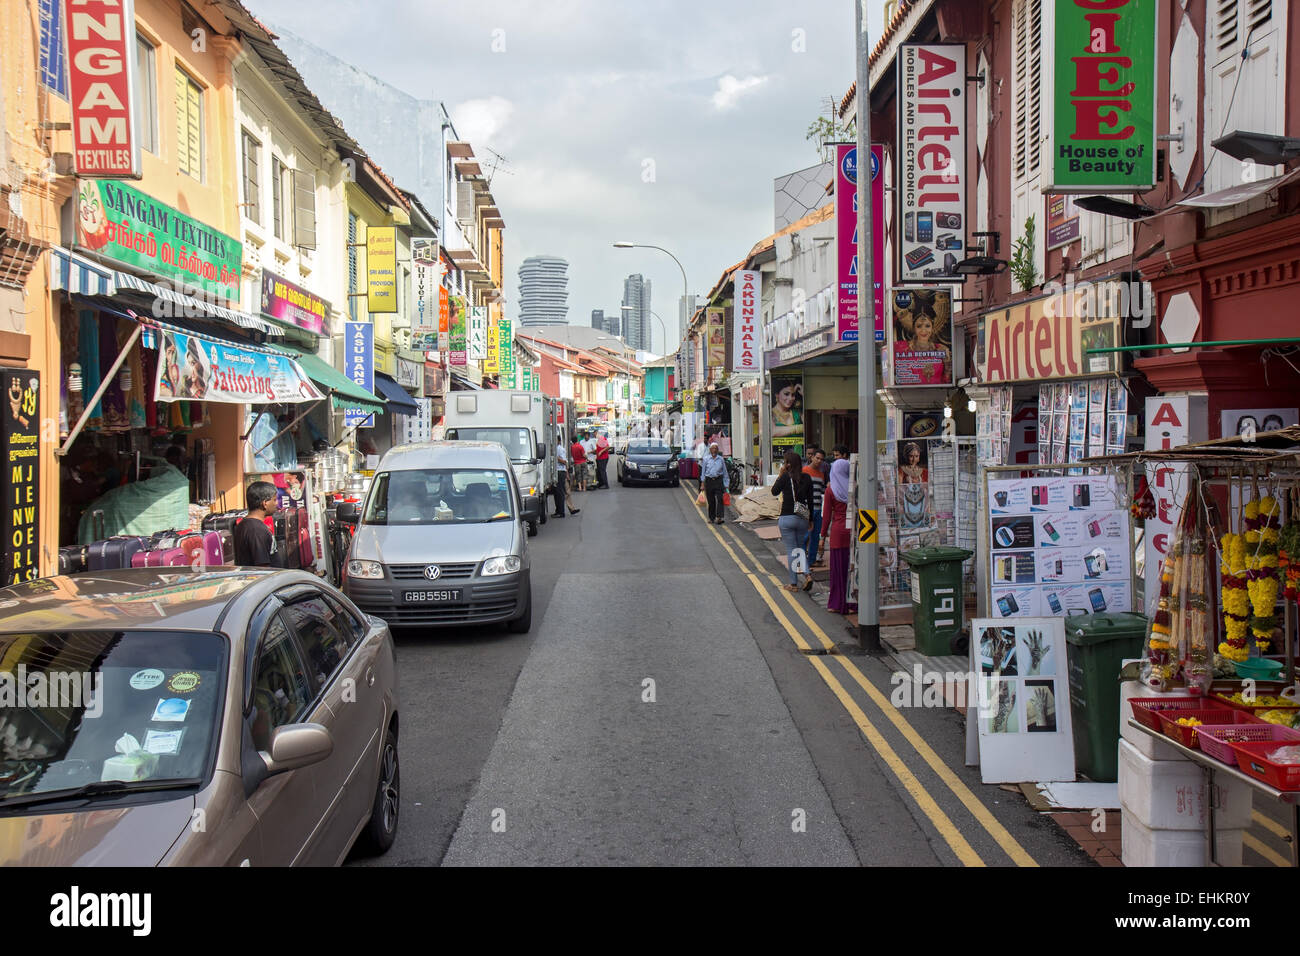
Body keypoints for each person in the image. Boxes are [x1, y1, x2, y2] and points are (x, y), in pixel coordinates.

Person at [771, 450, 814, 592]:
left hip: (787, 517)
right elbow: (811, 501)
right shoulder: (807, 478)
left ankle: (793, 584)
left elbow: (774, 492)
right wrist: (811, 519)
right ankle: (807, 575)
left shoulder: (785, 477)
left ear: (788, 464)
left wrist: (781, 474)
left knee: (791, 550)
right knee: (800, 548)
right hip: (802, 517)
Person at [820, 458, 857, 615]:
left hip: (837, 532)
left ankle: (837, 603)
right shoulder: (855, 487)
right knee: (852, 569)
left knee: (838, 571)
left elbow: (827, 516)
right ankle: (854, 604)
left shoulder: (830, 490)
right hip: (854, 531)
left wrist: (822, 537)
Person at [234, 480, 280, 568]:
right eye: (274, 500)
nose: (277, 503)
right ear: (265, 503)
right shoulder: (256, 530)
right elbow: (262, 567)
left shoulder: (246, 524)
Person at [803, 448, 828, 567]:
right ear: (812, 457)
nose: (819, 461)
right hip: (807, 509)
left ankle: (811, 561)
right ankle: (802, 562)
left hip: (818, 509)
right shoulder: (804, 471)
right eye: (817, 458)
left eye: (821, 460)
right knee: (805, 536)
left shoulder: (821, 474)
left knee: (815, 536)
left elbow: (822, 490)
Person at [552, 434, 580, 517]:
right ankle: (569, 509)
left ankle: (561, 512)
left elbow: (564, 462)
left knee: (560, 492)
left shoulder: (560, 449)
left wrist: (556, 458)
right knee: (562, 492)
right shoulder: (555, 449)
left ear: (559, 441)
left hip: (560, 472)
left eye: (556, 440)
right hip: (560, 472)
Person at [700, 442, 728, 524]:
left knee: (720, 499)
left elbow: (725, 472)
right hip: (709, 481)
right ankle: (711, 517)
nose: (714, 450)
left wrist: (726, 484)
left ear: (718, 450)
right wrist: (702, 483)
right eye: (713, 448)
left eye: (716, 448)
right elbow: (703, 472)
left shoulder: (721, 459)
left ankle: (719, 517)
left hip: (718, 480)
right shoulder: (706, 459)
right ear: (710, 450)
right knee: (711, 500)